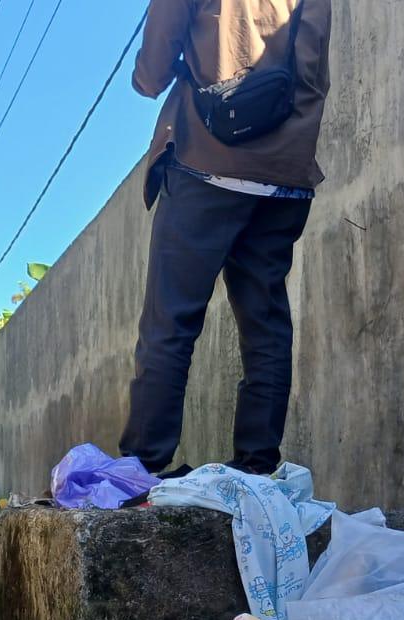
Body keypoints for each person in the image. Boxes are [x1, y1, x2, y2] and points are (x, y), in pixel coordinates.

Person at [119, 0, 332, 476]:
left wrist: (155, 75)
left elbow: (151, 74)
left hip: (205, 162)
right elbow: (313, 72)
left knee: (170, 322)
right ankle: (258, 465)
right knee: (266, 324)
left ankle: (143, 466)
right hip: (283, 176)